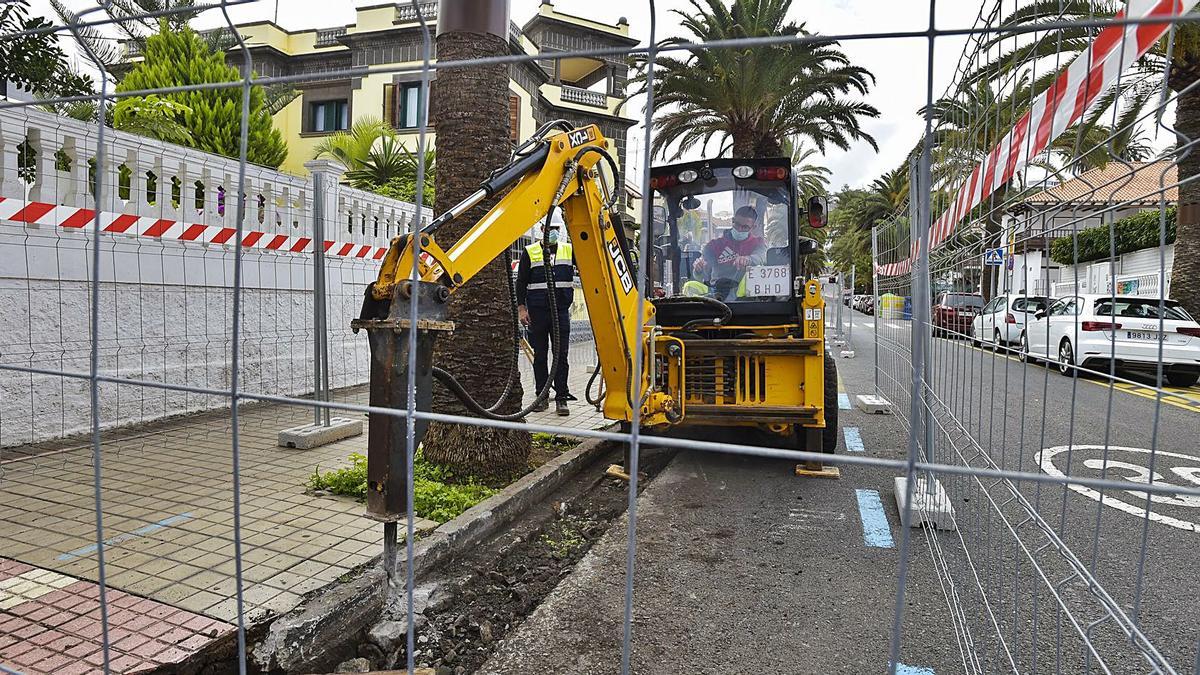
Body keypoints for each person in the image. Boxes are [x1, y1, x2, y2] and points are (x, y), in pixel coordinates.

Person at [516, 219, 575, 416]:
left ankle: (561, 398)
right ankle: (542, 396)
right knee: (540, 355)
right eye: (550, 228)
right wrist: (522, 309)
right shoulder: (530, 251)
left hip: (561, 312)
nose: (553, 232)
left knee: (561, 356)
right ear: (542, 229)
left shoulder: (568, 250)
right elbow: (521, 283)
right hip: (538, 313)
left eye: (557, 229)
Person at [692, 205, 766, 301]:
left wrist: (748, 259)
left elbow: (761, 257)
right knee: (689, 286)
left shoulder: (758, 243)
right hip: (716, 293)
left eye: (745, 227)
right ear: (733, 221)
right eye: (737, 224)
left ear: (753, 227)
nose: (739, 229)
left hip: (745, 299)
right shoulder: (714, 245)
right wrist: (698, 270)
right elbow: (704, 276)